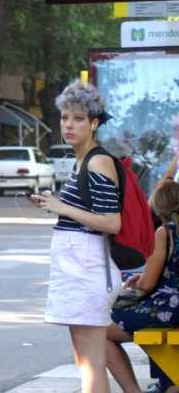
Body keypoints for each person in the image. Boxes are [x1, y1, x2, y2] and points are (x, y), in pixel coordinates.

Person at [31, 80, 122, 393]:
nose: (68, 125)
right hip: (78, 266)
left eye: (78, 118)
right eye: (64, 117)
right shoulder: (82, 159)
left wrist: (62, 207)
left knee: (91, 362)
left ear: (94, 123)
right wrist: (57, 205)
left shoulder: (98, 161)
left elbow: (112, 222)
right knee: (85, 361)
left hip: (88, 268)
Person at [106, 180, 179, 393]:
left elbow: (147, 284)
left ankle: (133, 390)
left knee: (99, 332)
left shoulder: (165, 232)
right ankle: (168, 383)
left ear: (159, 207)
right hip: (173, 308)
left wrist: (139, 281)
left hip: (171, 308)